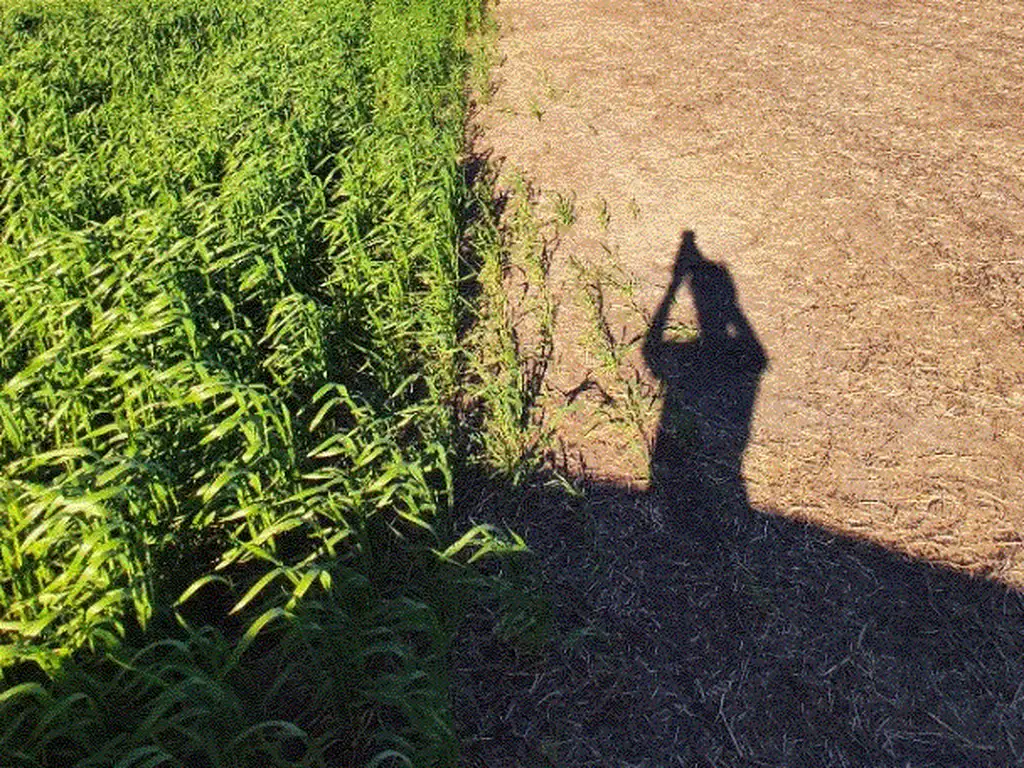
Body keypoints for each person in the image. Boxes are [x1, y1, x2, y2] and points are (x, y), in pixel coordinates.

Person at [643, 231, 767, 536]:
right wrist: (732, 307)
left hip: (682, 452)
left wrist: (673, 287)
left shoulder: (696, 357)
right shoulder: (741, 358)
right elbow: (757, 357)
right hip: (719, 458)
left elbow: (650, 350)